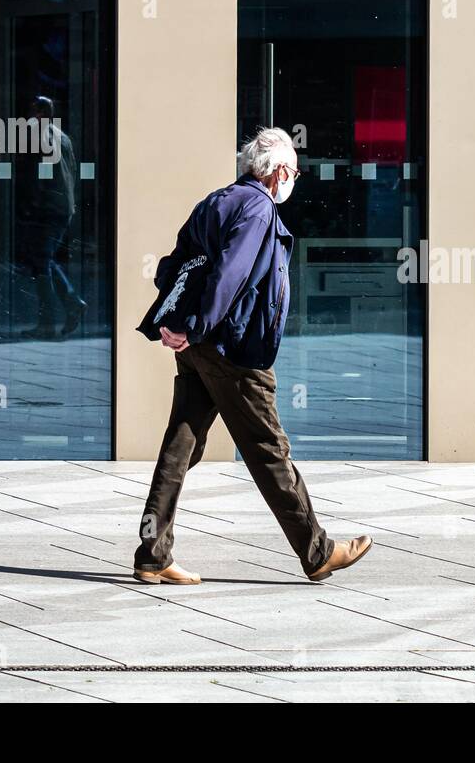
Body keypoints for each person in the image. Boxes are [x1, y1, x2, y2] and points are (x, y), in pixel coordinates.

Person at [131, 127, 372, 584]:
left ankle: (152, 554)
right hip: (233, 349)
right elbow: (231, 273)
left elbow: (173, 266)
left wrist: (183, 326)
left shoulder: (215, 200)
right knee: (268, 448)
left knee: (180, 444)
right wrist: (199, 324)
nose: (293, 179)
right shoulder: (258, 207)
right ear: (279, 170)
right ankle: (318, 552)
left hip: (199, 348)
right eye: (294, 172)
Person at [18, 96, 86, 338]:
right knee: (43, 260)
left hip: (47, 208)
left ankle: (56, 316)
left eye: (33, 112)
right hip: (62, 206)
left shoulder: (41, 136)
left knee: (41, 262)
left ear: (41, 113)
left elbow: (40, 175)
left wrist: (32, 203)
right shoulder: (63, 137)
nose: (30, 116)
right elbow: (74, 171)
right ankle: (67, 307)